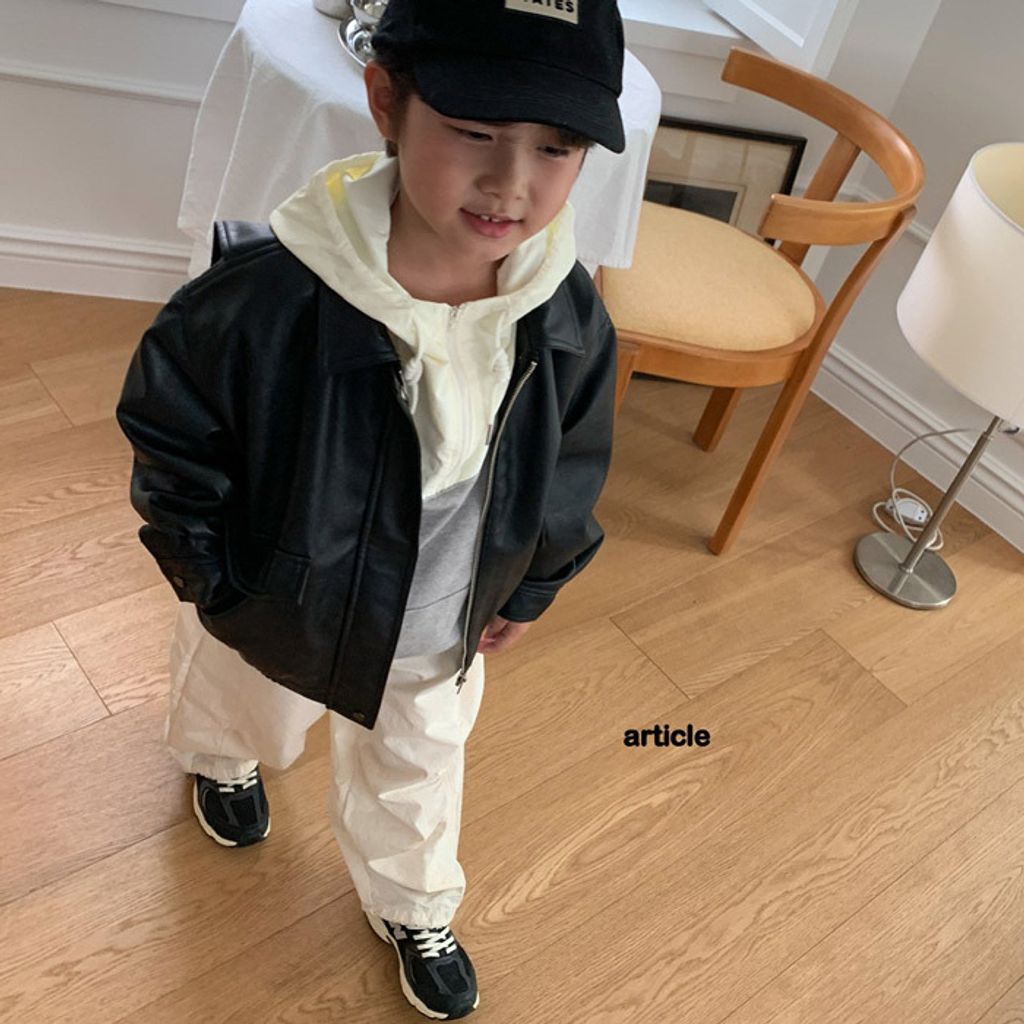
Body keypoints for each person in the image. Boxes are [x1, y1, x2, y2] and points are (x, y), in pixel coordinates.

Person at [115, 0, 625, 1017]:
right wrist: (211, 578)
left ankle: (413, 900)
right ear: (387, 100)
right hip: (279, 591)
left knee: (419, 762)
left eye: (555, 147)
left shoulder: (565, 310)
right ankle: (220, 761)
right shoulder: (261, 298)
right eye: (474, 131)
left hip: (440, 612)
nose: (510, 182)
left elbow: (573, 457)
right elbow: (174, 436)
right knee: (242, 696)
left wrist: (536, 580)